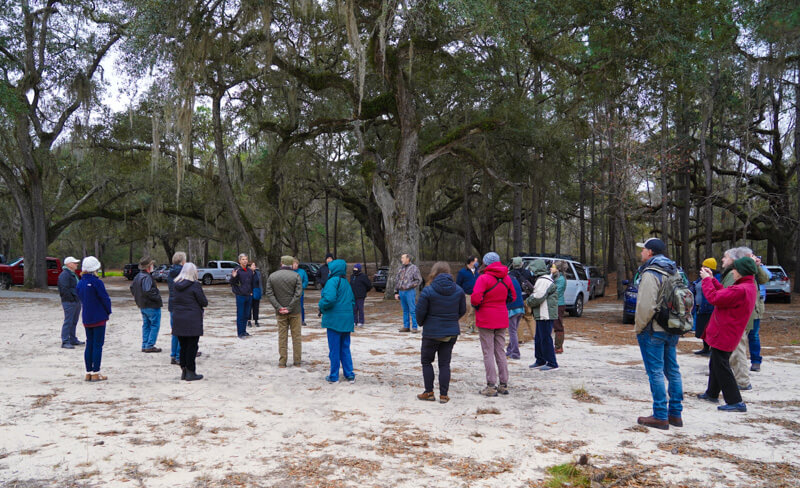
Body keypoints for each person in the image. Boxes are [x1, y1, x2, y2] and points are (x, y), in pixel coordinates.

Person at [632, 237, 683, 430]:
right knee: (673, 371)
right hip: (672, 326)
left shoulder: (651, 272)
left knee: (655, 372)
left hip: (653, 329)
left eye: (643, 249)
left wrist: (639, 327)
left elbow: (646, 305)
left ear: (651, 252)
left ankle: (660, 415)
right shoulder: (674, 270)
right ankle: (675, 414)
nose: (641, 253)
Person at [697, 256, 758, 413]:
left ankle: (736, 401)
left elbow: (714, 298)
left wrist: (706, 281)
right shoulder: (746, 286)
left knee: (721, 364)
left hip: (726, 331)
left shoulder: (741, 289)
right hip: (728, 331)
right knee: (716, 362)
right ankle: (712, 393)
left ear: (742, 272)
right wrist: (712, 279)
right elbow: (725, 293)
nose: (733, 272)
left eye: (735, 269)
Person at [416, 262, 465, 403]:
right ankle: (444, 395)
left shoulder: (428, 291)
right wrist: (451, 320)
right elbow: (461, 311)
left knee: (426, 362)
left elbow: (420, 312)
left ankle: (429, 392)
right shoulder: (459, 290)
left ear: (434, 273)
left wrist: (422, 323)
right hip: (450, 333)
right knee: (444, 364)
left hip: (431, 332)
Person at [720, 247, 769, 389]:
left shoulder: (740, 273)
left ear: (735, 260)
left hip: (739, 317)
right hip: (743, 315)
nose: (723, 259)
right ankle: (734, 378)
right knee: (736, 347)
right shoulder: (737, 273)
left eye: (726, 257)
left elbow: (727, 295)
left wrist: (757, 266)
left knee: (738, 348)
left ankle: (742, 380)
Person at [471, 252, 515, 397]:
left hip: (486, 318)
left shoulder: (483, 278)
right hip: (501, 317)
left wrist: (482, 304)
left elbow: (475, 298)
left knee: (488, 352)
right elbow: (513, 296)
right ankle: (503, 384)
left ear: (485, 263)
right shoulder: (506, 278)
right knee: (500, 351)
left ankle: (491, 385)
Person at [318, 259, 356, 382]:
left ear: (334, 269)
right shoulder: (346, 283)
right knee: (345, 348)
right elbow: (352, 302)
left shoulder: (332, 282)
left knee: (334, 349)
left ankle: (334, 375)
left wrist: (321, 305)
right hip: (346, 320)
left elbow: (329, 299)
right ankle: (349, 374)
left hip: (334, 320)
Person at [264, 256, 304, 367]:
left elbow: (269, 293)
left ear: (281, 263)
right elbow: (298, 294)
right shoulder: (296, 276)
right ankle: (297, 361)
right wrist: (290, 307)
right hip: (295, 311)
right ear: (291, 264)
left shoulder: (272, 276)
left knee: (282, 336)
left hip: (280, 312)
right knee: (296, 337)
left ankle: (282, 361)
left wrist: (279, 307)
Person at [76, 256, 111, 382]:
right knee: (97, 344)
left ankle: (88, 372)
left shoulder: (80, 283)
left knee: (89, 343)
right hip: (99, 316)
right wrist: (108, 311)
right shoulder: (97, 282)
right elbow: (105, 298)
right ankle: (96, 371)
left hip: (87, 316)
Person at [171, 263, 208, 381]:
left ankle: (184, 370)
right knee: (192, 346)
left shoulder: (176, 285)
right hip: (192, 319)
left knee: (183, 346)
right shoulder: (195, 286)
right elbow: (203, 302)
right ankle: (191, 371)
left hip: (179, 318)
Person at [526, 259, 559, 370]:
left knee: (545, 338)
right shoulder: (543, 279)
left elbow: (538, 297)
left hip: (546, 313)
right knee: (539, 338)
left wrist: (529, 300)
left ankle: (552, 363)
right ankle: (540, 360)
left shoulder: (543, 280)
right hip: (542, 313)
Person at [130, 257, 163, 352]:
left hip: (142, 305)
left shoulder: (138, 276)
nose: (153, 266)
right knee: (154, 325)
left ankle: (145, 345)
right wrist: (157, 297)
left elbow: (132, 288)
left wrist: (138, 297)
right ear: (148, 266)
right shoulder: (147, 277)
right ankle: (149, 345)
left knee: (146, 325)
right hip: (151, 305)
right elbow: (148, 291)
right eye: (152, 264)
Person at [690, 257, 720, 356]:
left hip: (709, 308)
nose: (702, 268)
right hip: (700, 307)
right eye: (702, 266)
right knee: (702, 328)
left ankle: (712, 349)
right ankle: (705, 348)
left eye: (705, 266)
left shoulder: (716, 278)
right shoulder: (700, 278)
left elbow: (716, 291)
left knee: (709, 329)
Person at [748, 258, 771, 373]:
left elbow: (766, 278)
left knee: (754, 336)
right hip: (743, 308)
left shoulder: (759, 268)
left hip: (755, 308)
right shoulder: (739, 268)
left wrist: (758, 266)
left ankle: (756, 361)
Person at [58, 256, 84, 349]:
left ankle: (72, 339)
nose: (76, 264)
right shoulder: (65, 275)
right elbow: (64, 289)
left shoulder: (72, 274)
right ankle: (65, 341)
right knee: (68, 321)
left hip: (75, 300)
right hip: (69, 301)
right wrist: (72, 299)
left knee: (74, 321)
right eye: (74, 263)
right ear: (69, 264)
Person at [509, 257, 535, 343]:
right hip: (527, 298)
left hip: (516, 299)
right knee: (529, 317)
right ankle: (535, 336)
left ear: (513, 264)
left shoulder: (510, 274)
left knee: (518, 320)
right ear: (522, 264)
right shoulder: (528, 273)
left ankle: (520, 339)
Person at [394, 253, 423, 333]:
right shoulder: (401, 268)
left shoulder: (414, 268)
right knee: (405, 310)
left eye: (403, 258)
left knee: (412, 310)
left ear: (408, 259)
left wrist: (409, 285)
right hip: (401, 292)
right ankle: (406, 326)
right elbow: (397, 280)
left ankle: (414, 327)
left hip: (409, 291)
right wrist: (396, 292)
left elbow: (419, 280)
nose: (401, 259)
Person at [167, 252, 186, 365]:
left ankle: (173, 355)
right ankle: (179, 356)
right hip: (181, 305)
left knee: (175, 332)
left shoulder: (171, 272)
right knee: (182, 332)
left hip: (172, 304)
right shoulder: (183, 272)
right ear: (182, 261)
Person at [230, 253, 254, 338]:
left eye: (246, 259)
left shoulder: (250, 271)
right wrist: (233, 277)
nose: (245, 261)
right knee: (240, 314)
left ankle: (244, 331)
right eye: (243, 259)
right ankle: (240, 333)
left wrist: (251, 292)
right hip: (240, 295)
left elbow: (252, 283)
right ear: (239, 261)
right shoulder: (237, 270)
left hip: (248, 295)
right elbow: (232, 283)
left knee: (246, 314)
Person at [504, 268, 525, 360]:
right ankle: (509, 350)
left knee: (512, 331)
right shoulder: (515, 279)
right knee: (514, 331)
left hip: (512, 309)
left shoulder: (506, 281)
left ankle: (516, 353)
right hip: (520, 308)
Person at [456, 256, 479, 333]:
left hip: (477, 294)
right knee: (471, 311)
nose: (477, 263)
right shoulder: (462, 272)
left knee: (476, 310)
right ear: (471, 262)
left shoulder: (478, 271)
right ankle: (470, 327)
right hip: (467, 294)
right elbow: (458, 284)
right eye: (476, 261)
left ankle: (475, 326)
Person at [350, 263, 372, 327]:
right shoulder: (352, 276)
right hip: (353, 295)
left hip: (360, 295)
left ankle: (361, 321)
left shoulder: (363, 276)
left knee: (360, 308)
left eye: (356, 269)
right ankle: (354, 321)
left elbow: (369, 285)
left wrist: (364, 291)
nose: (355, 270)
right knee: (354, 309)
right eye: (354, 268)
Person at [552, 261, 568, 353]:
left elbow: (556, 292)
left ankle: (558, 347)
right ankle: (557, 346)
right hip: (555, 304)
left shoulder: (561, 279)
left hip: (558, 304)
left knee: (558, 325)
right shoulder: (556, 277)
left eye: (553, 267)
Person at [293, 259, 309, 326]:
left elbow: (306, 281)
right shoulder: (289, 272)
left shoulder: (302, 272)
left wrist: (302, 286)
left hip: (300, 293)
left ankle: (302, 320)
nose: (295, 265)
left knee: (301, 306)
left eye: (296, 263)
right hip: (291, 293)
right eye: (293, 263)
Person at [249, 261, 263, 327]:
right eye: (253, 265)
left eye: (255, 265)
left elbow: (260, 283)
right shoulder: (247, 273)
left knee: (256, 307)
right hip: (249, 293)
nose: (254, 266)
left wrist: (261, 292)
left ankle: (256, 320)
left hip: (256, 291)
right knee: (249, 308)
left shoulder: (258, 273)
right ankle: (248, 321)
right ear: (249, 266)